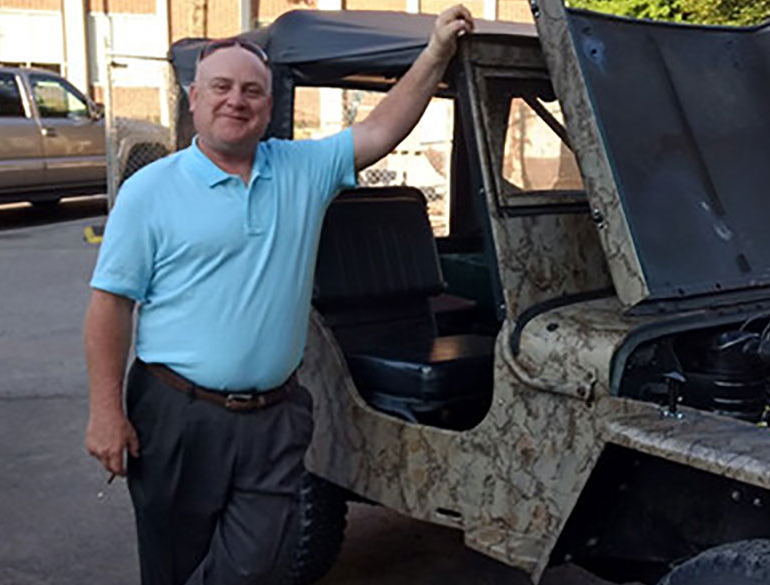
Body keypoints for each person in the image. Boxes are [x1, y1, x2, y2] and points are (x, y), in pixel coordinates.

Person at [82, 6, 475, 584]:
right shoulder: (151, 192)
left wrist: (436, 51)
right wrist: (105, 412)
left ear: (268, 108)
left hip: (274, 417)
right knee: (172, 565)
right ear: (195, 99)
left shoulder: (300, 170)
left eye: (251, 91)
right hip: (177, 414)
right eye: (221, 87)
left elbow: (383, 128)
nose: (235, 100)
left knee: (258, 566)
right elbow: (110, 306)